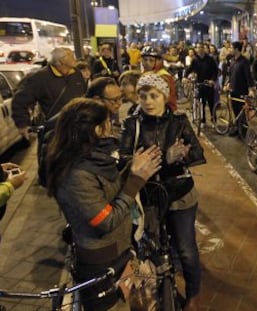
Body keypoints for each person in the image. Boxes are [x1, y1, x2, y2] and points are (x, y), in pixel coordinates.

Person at [46, 97, 162, 310]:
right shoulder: (77, 175)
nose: (113, 126)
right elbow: (106, 221)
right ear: (97, 129)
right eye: (108, 122)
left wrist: (132, 170)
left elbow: (111, 191)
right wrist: (135, 181)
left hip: (121, 251)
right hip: (101, 263)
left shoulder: (97, 158)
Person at [120, 74, 206, 311]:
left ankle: (193, 295)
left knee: (186, 250)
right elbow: (123, 159)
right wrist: (146, 161)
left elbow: (197, 154)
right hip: (146, 195)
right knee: (143, 247)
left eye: (154, 95)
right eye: (143, 95)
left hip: (179, 194)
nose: (148, 101)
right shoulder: (132, 123)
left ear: (165, 97)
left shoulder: (179, 121)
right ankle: (146, 291)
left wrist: (182, 155)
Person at [11, 47, 87, 186]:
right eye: (71, 56)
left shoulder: (75, 73)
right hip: (53, 129)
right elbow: (19, 101)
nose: (75, 58)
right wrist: (23, 125)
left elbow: (84, 94)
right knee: (51, 159)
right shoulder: (39, 78)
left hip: (77, 126)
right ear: (62, 61)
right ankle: (49, 182)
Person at [225, 41, 256, 136]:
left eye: (231, 48)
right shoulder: (233, 60)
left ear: (237, 49)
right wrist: (227, 83)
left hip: (242, 90)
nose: (230, 49)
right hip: (233, 89)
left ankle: (242, 132)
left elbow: (248, 76)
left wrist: (251, 89)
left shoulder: (244, 61)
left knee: (242, 112)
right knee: (236, 111)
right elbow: (230, 74)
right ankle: (237, 129)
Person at [184, 42, 218, 127]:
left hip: (209, 84)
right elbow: (189, 69)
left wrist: (212, 80)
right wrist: (184, 77)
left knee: (211, 104)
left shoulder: (210, 59)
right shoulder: (195, 60)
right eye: (198, 47)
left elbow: (215, 71)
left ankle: (214, 120)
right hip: (199, 84)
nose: (200, 49)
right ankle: (203, 120)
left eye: (201, 47)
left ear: (204, 49)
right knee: (201, 104)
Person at [141, 46, 177, 111]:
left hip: (164, 112)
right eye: (145, 60)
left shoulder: (163, 76)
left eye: (151, 60)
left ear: (158, 61)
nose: (147, 63)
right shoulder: (145, 74)